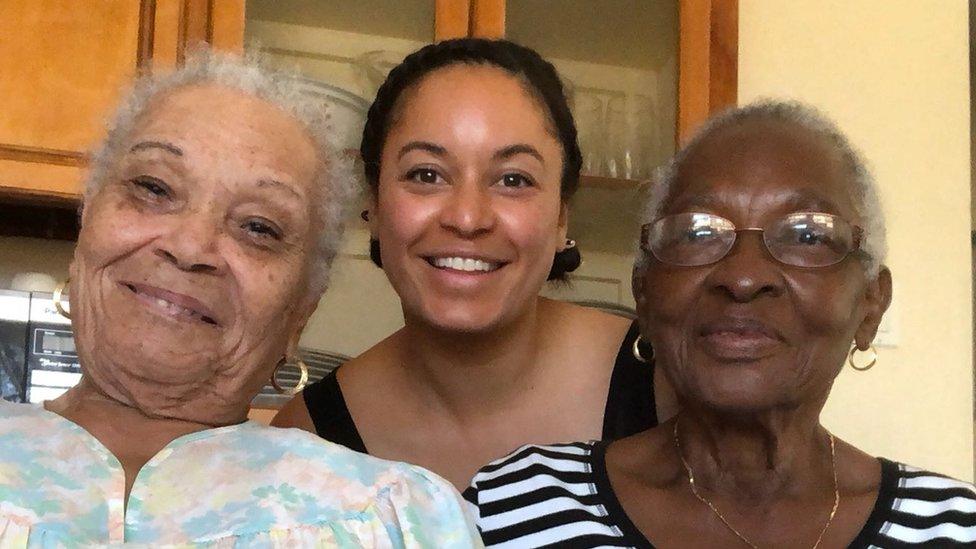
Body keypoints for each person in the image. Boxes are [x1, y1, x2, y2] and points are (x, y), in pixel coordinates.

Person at [0, 52, 481, 547]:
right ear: (88, 222)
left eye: (258, 227)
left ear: (303, 310)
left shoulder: (402, 519)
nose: (190, 248)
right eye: (153, 187)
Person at [465, 101, 976, 547]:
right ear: (644, 292)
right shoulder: (512, 509)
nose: (744, 276)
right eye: (698, 231)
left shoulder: (952, 528)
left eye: (806, 234)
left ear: (870, 304)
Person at [274, 38, 677, 488]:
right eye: (426, 175)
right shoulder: (308, 439)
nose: (467, 218)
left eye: (513, 179)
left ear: (562, 215)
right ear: (374, 202)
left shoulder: (667, 381)